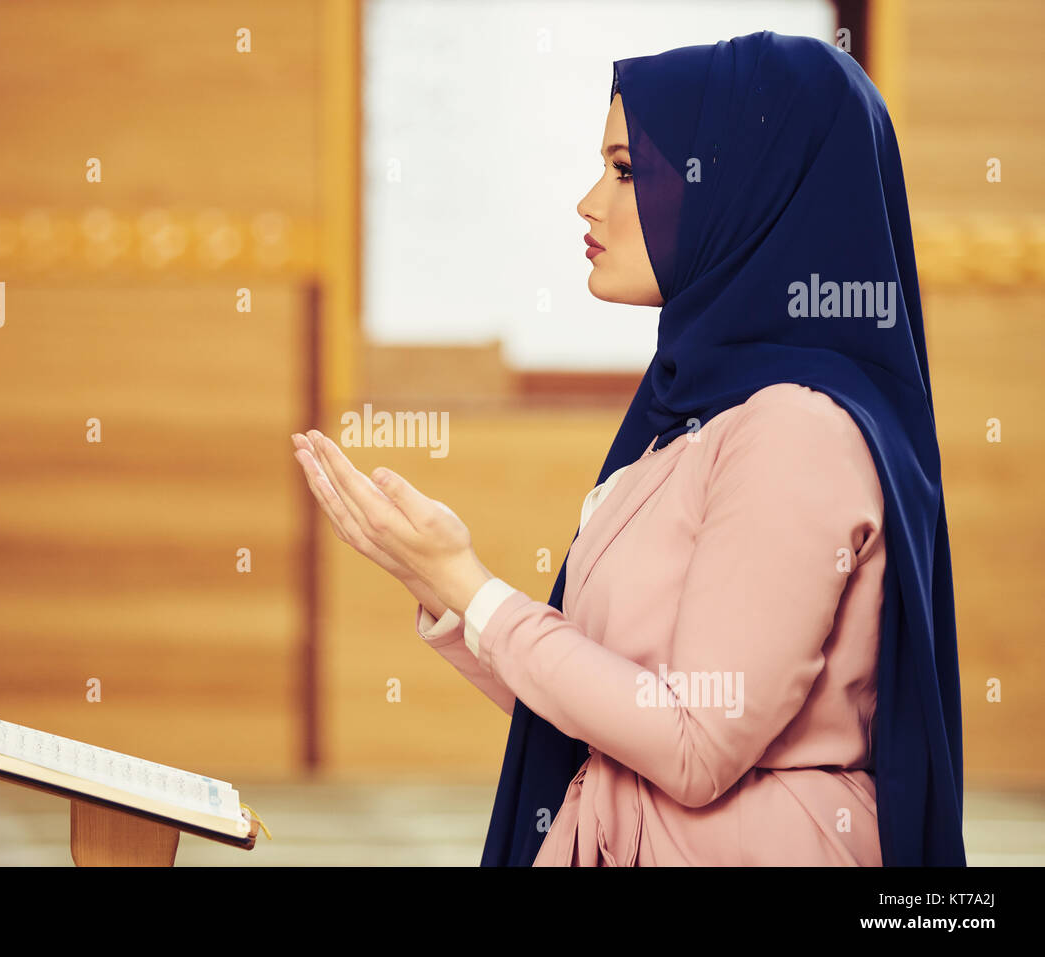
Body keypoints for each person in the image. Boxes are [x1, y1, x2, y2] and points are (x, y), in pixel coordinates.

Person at [290, 30, 965, 866]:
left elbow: (693, 746)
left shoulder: (796, 431)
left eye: (624, 168)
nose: (589, 202)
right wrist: (445, 583)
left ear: (740, 192)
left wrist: (476, 586)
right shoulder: (695, 414)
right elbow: (614, 708)